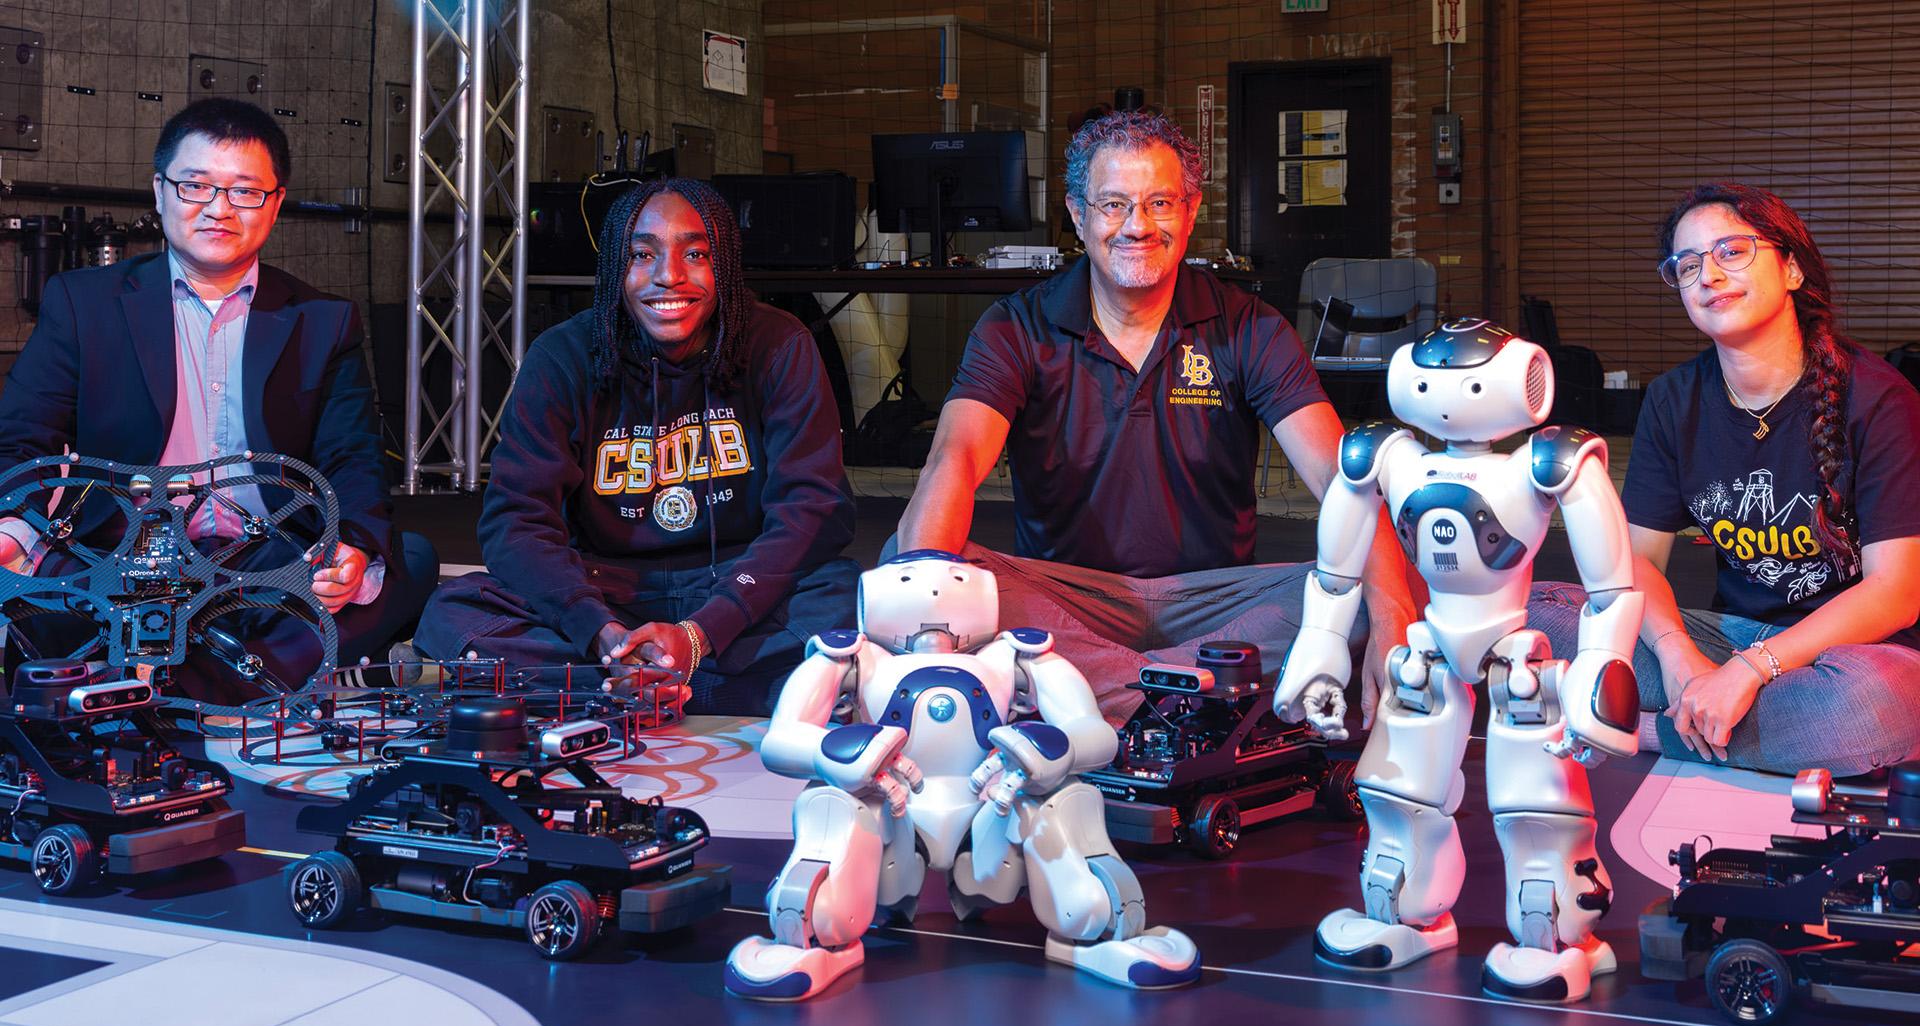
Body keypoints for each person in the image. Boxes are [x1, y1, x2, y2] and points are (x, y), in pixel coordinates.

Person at [896, 109, 1416, 722]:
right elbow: (954, 460)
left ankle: (1091, 692)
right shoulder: (1015, 327)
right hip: (1067, 599)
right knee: (912, 570)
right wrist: (922, 605)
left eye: (1160, 203)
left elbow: (1338, 477)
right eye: (1113, 204)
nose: (1137, 225)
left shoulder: (1250, 326)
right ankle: (1190, 694)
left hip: (1218, 603)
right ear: (1078, 215)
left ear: (1191, 212)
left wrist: (1392, 618)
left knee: (1394, 584)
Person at [0, 97, 437, 700]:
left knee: (407, 560)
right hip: (118, 555)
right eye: (196, 186)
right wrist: (16, 527)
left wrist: (354, 548)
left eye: (244, 192)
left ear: (275, 204)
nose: (218, 208)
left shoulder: (323, 319)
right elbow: (24, 439)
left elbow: (352, 457)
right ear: (160, 192)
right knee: (37, 584)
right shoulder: (84, 302)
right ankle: (241, 681)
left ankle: (146, 683)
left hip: (266, 557)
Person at [415, 178, 859, 715]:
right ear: (614, 269)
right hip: (607, 591)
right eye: (642, 255)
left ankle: (614, 691)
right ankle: (729, 691)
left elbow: (812, 509)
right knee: (455, 612)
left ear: (724, 265)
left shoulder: (778, 344)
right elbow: (516, 523)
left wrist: (700, 634)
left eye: (695, 254)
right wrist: (600, 633)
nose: (669, 276)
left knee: (847, 597)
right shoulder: (563, 355)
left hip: (740, 586)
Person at [1532, 182, 1920, 776]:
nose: (1708, 276)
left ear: (1791, 269)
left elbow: (1895, 591)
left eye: (1731, 252)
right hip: (1726, 637)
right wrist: (1679, 658)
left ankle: (1643, 729)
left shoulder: (1880, 400)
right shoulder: (1673, 399)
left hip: (1854, 655)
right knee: (1529, 615)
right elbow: (1635, 563)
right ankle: (1723, 716)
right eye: (1688, 266)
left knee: (1869, 707)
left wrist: (1751, 670)